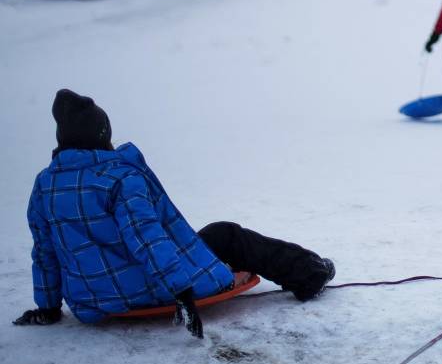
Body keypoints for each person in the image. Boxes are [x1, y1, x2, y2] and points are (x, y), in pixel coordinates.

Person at [13, 89, 335, 337]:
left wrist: (49, 307)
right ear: (102, 134)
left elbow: (45, 252)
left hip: (96, 300)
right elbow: (147, 238)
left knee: (197, 241)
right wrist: (181, 292)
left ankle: (304, 271)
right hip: (153, 289)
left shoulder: (45, 185)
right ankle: (310, 274)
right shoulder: (119, 178)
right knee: (226, 235)